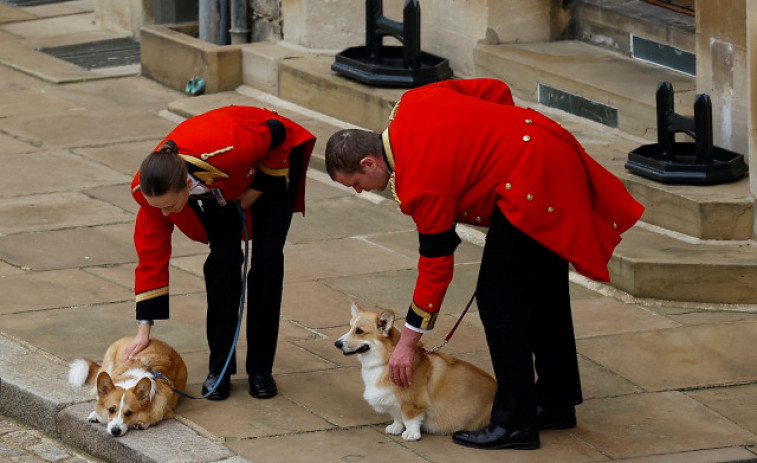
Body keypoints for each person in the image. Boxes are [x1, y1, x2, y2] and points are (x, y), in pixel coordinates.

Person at [324, 78, 644, 450]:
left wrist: (407, 343)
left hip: (530, 183)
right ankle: (556, 401)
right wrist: (501, 141)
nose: (361, 191)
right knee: (543, 291)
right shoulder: (412, 102)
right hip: (545, 147)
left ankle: (515, 423)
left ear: (369, 161)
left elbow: (436, 266)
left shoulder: (420, 183)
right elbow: (494, 90)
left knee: (498, 302)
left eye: (357, 183)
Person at [125, 105, 315, 401]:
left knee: (266, 261)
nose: (163, 213)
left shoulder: (230, 146)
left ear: (187, 185)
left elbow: (280, 134)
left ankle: (261, 370)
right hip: (222, 186)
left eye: (168, 205)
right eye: (158, 206)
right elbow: (150, 256)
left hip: (269, 165)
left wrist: (259, 188)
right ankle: (220, 369)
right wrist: (143, 330)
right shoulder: (151, 189)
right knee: (222, 263)